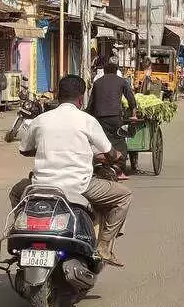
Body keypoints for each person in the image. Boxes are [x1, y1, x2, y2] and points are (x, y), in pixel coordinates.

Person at [9, 75, 132, 267]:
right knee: (124, 196)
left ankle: (20, 227)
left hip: (40, 186)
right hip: (79, 186)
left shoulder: (41, 120)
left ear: (57, 95)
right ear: (81, 99)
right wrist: (116, 155)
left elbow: (24, 150)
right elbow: (108, 152)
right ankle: (104, 247)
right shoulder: (87, 121)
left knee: (16, 192)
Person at [88, 60, 138, 180]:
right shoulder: (122, 81)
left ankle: (102, 166)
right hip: (115, 117)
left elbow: (91, 103)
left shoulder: (97, 82)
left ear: (104, 72)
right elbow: (130, 98)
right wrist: (134, 113)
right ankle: (118, 170)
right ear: (116, 72)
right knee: (119, 141)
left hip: (99, 118)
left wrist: (88, 116)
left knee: (101, 141)